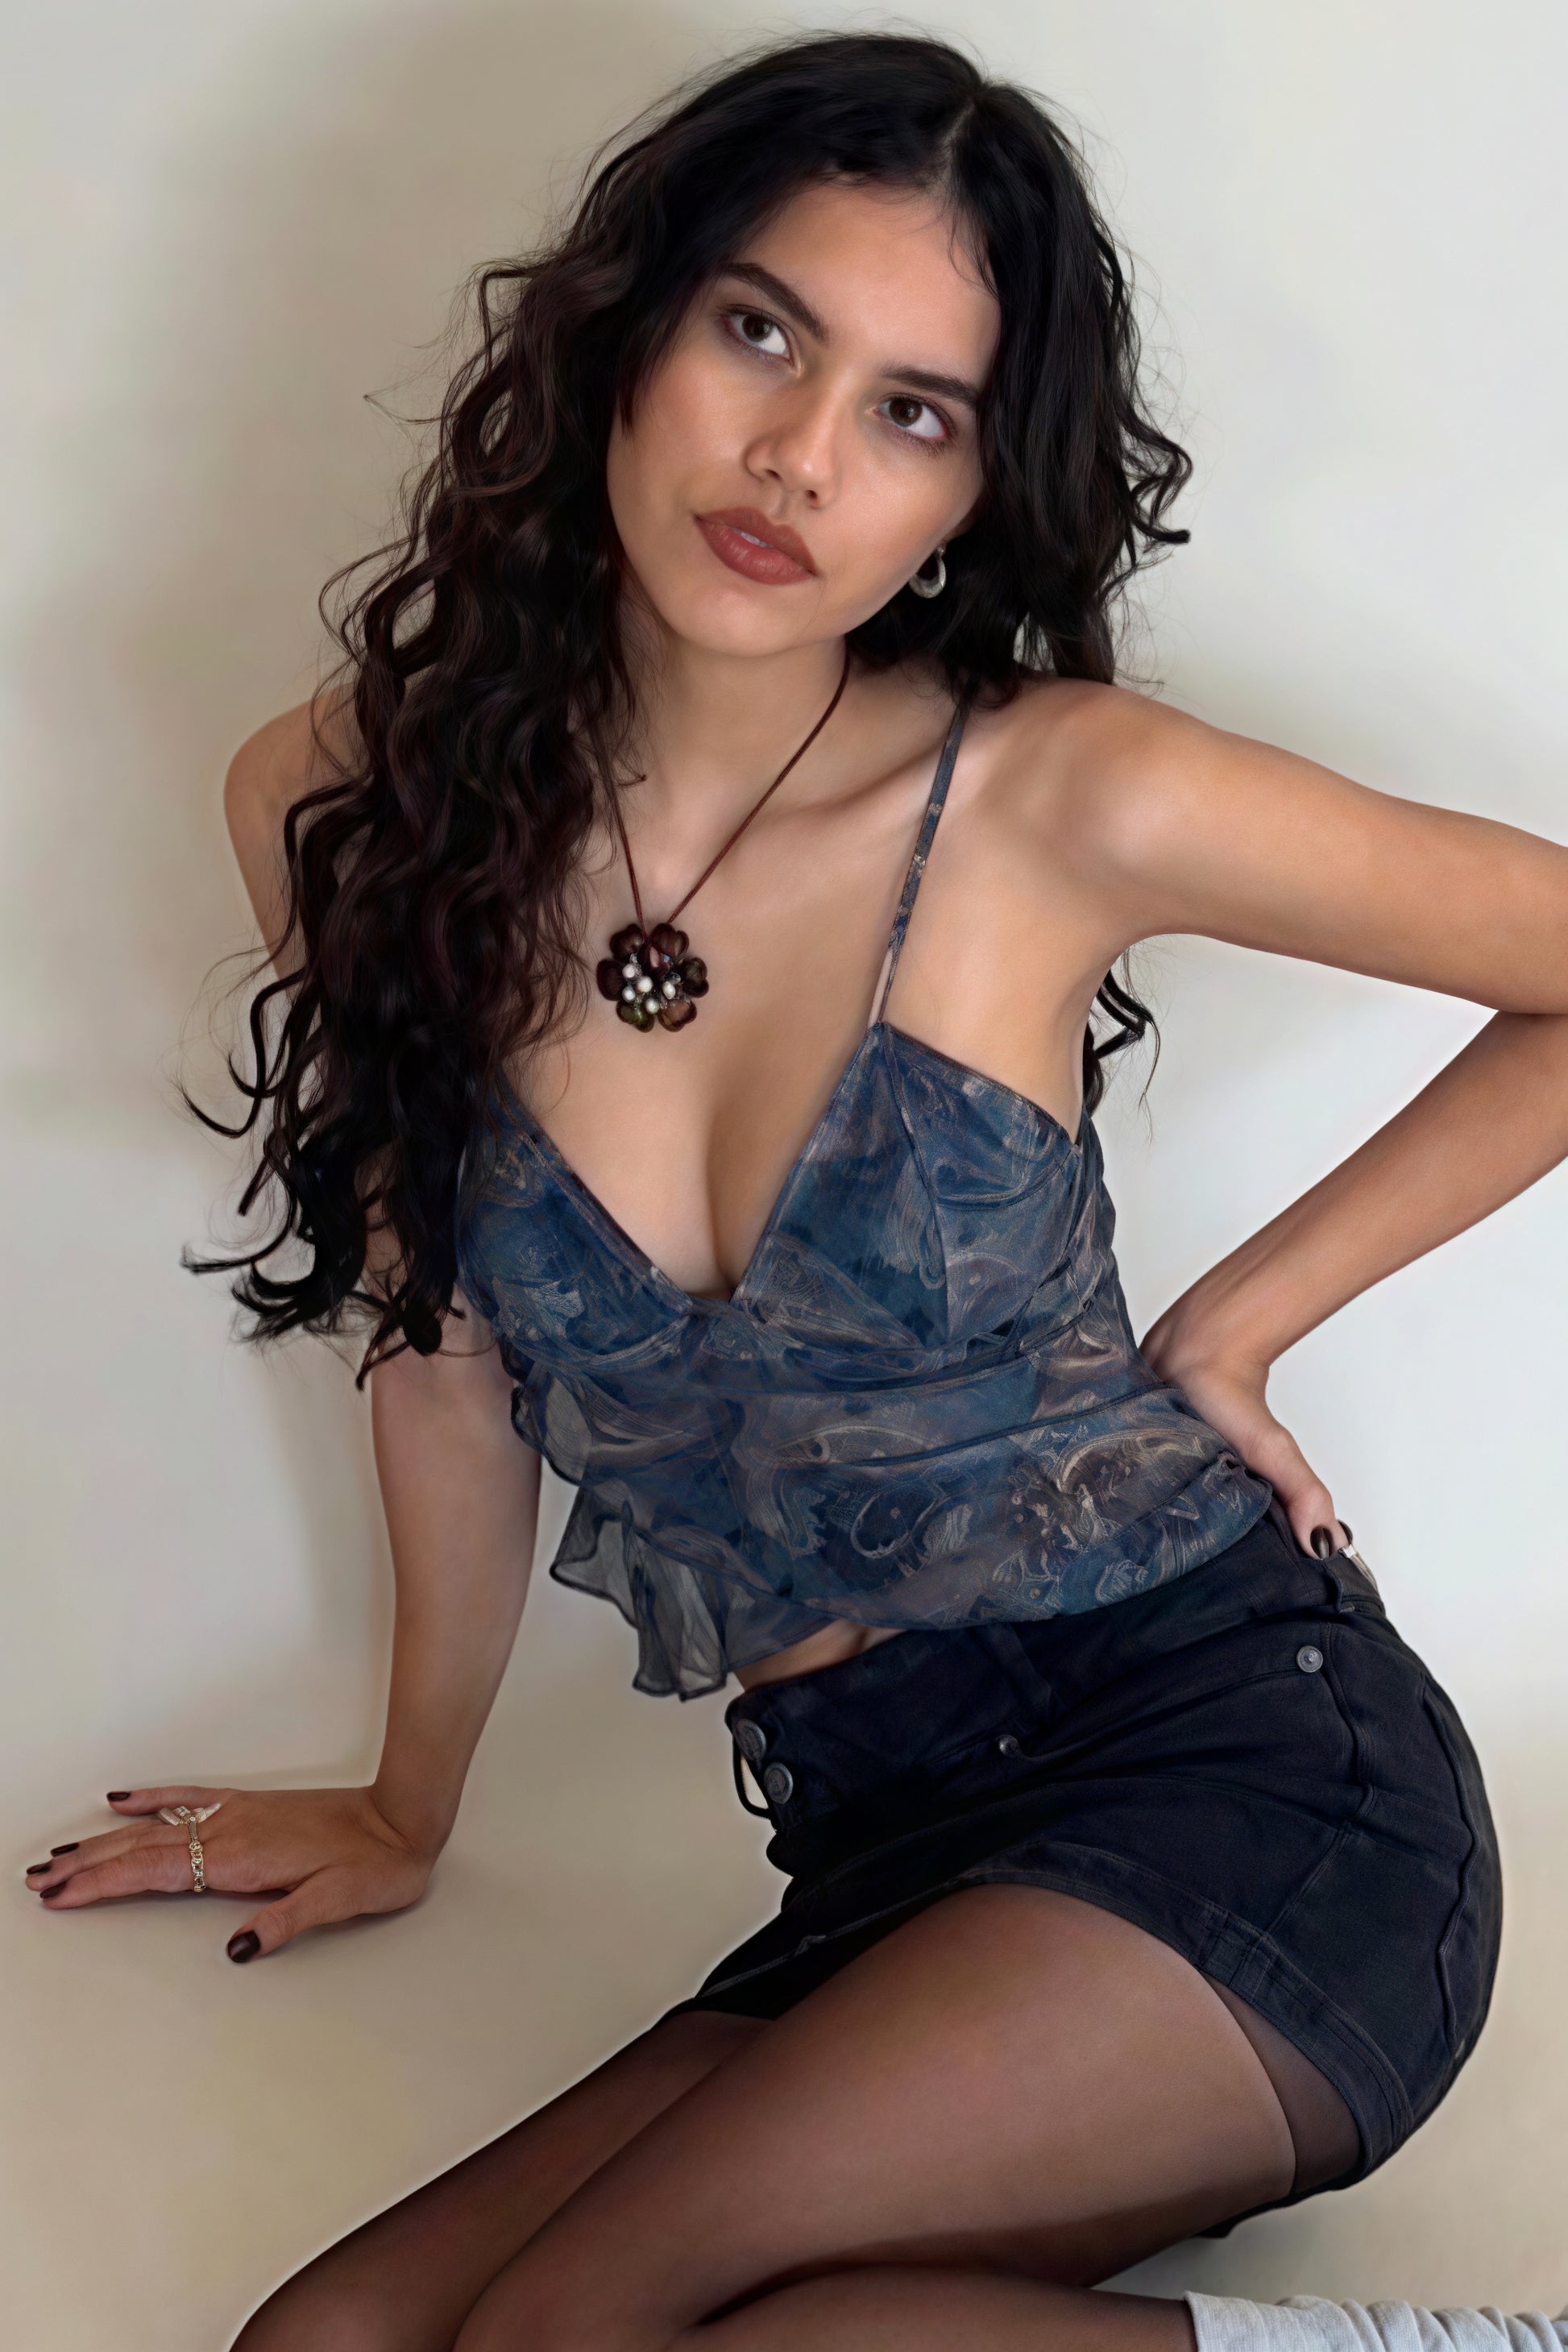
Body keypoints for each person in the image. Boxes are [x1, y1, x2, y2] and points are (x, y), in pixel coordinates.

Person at [24, 32, 1567, 2350]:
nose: (800, 460)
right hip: (879, 1836)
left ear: (969, 494)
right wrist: (408, 1802)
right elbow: (444, 1359)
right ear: (625, 329)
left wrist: (1236, 1327)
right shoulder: (346, 814)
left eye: (911, 411)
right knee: (320, 2348)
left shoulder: (1060, 799)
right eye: (761, 331)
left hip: (1241, 1769)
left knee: (569, 2338)